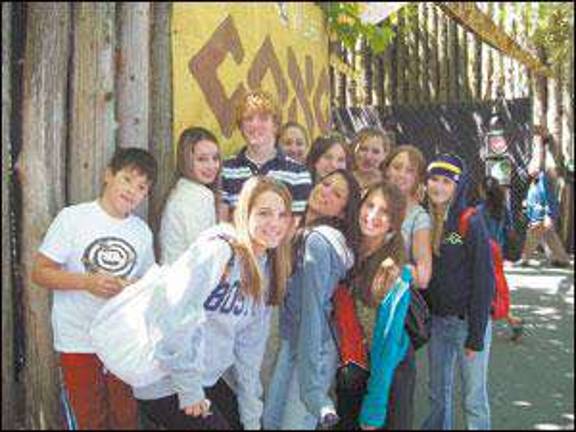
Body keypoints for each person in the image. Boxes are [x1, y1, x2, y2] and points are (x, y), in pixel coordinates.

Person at [135, 176, 294, 430]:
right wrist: (189, 390)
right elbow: (174, 317)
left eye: (282, 215)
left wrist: (252, 419)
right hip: (166, 380)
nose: (275, 223)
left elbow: (249, 352)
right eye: (264, 213)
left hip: (205, 378)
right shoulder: (219, 251)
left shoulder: (265, 271)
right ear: (245, 213)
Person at [31, 147, 158, 429]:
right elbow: (40, 272)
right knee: (89, 418)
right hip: (78, 339)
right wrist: (87, 282)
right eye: (127, 179)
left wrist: (131, 288)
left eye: (142, 187)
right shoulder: (73, 218)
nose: (132, 191)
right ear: (108, 175)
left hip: (122, 340)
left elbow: (148, 285)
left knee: (125, 415)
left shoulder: (141, 232)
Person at [263, 169, 362, 430]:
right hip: (295, 341)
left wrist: (312, 387)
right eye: (326, 183)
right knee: (271, 421)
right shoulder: (303, 232)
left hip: (312, 346)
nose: (325, 191)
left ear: (343, 212)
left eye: (337, 194)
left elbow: (313, 311)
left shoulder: (318, 242)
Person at [421, 153, 495, 430]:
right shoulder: (425, 220)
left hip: (468, 323)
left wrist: (476, 335)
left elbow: (484, 281)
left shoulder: (469, 221)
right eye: (434, 179)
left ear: (457, 186)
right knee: (437, 394)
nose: (438, 186)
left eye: (446, 181)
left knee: (473, 398)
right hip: (438, 324)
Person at [336, 182, 410, 430]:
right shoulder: (347, 251)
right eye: (369, 205)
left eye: (384, 211)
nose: (372, 215)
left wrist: (375, 408)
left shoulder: (395, 272)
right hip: (351, 369)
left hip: (382, 378)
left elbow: (387, 346)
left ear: (394, 222)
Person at [220, 90, 312, 221]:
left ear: (275, 125)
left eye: (263, 118)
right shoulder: (226, 170)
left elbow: (296, 226)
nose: (255, 124)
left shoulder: (299, 174)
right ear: (241, 126)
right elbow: (223, 224)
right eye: (248, 119)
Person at [159, 126, 221, 265]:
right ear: (186, 160)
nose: (211, 166)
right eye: (202, 159)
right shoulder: (198, 195)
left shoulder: (180, 189)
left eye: (215, 158)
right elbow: (204, 253)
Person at [477, 176, 525, 341]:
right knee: (494, 288)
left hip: (484, 253)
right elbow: (509, 230)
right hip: (498, 253)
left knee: (488, 290)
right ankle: (513, 321)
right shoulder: (503, 209)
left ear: (483, 191)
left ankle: (511, 321)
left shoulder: (479, 211)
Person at [383, 145, 432, 290]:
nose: (401, 174)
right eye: (397, 167)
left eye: (410, 171)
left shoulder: (419, 218)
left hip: (391, 296)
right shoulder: (369, 202)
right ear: (386, 170)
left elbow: (423, 278)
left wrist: (391, 268)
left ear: (417, 178)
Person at [519, 138, 570, 268]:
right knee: (545, 233)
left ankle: (525, 258)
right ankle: (560, 258)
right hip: (539, 204)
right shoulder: (538, 168)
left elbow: (543, 172)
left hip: (545, 205)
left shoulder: (547, 167)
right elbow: (533, 171)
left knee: (537, 231)